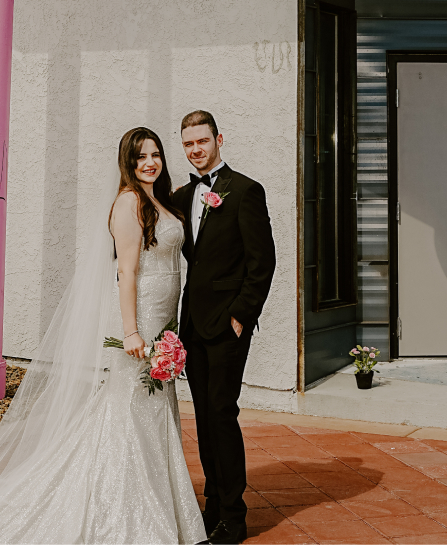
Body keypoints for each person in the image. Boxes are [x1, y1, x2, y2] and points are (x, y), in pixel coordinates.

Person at [0, 127, 207, 545]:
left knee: (153, 410)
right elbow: (126, 272)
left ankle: (158, 500)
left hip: (164, 321)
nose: (149, 163)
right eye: (140, 157)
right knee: (130, 407)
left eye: (155, 154)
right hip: (139, 324)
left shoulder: (160, 198)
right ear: (127, 162)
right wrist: (132, 331)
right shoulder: (129, 202)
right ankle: (126, 508)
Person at [173, 111, 276, 545]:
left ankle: (234, 516)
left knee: (222, 413)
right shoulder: (181, 196)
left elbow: (262, 262)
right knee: (203, 416)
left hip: (227, 326)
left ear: (219, 139)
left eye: (202, 141)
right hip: (192, 325)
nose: (196, 149)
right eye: (188, 144)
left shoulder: (245, 191)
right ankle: (212, 504)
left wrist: (241, 316)